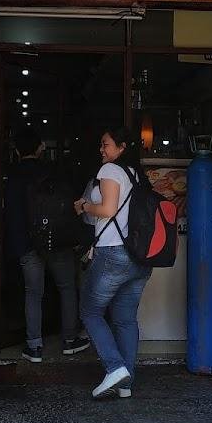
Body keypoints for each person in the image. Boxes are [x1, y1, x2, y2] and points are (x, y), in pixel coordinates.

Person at [74, 126, 152, 399]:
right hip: (138, 258)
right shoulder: (134, 174)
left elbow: (107, 210)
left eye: (105, 144)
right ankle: (125, 384)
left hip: (113, 253)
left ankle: (115, 367)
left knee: (90, 312)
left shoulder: (108, 171)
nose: (101, 149)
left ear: (121, 147)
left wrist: (84, 206)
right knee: (125, 320)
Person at [4, 130, 90, 363]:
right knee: (67, 287)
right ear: (40, 148)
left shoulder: (14, 176)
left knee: (33, 293)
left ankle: (34, 347)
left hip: (28, 244)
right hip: (58, 241)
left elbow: (12, 214)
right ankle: (70, 340)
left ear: (17, 150)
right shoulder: (53, 171)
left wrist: (18, 245)